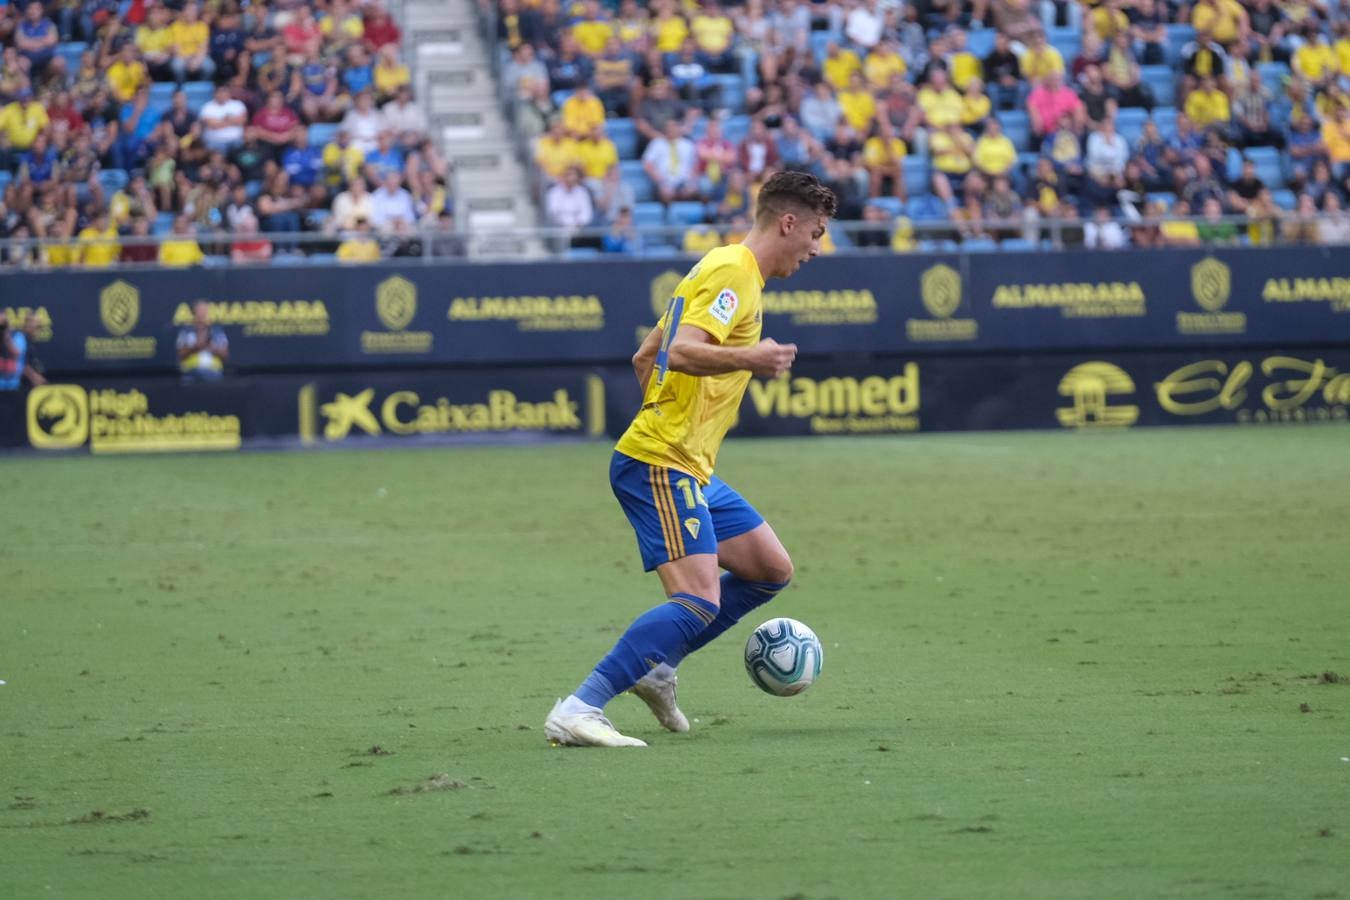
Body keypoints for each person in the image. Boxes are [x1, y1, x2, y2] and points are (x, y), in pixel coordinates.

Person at [543, 171, 838, 748]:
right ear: (788, 222)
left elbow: (644, 355)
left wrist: (671, 411)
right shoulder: (733, 272)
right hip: (661, 461)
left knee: (769, 569)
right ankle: (580, 707)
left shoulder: (726, 269)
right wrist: (747, 359)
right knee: (700, 599)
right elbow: (677, 352)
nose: (816, 248)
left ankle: (655, 668)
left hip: (685, 462)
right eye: (816, 232)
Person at [176, 300, 229, 383]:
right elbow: (180, 354)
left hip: (214, 373)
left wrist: (212, 347)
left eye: (205, 310)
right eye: (200, 310)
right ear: (194, 313)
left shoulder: (216, 331)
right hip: (191, 372)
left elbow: (225, 355)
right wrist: (196, 347)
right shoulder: (186, 331)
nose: (203, 314)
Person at [0, 311, 47, 391]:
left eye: (39, 327)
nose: (36, 329)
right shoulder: (15, 337)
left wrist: (34, 376)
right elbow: (15, 357)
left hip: (15, 387)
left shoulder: (19, 337)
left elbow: (17, 358)